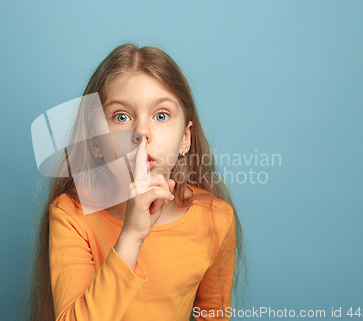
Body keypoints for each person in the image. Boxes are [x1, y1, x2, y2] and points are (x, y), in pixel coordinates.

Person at [19, 43, 247, 321]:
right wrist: (132, 235)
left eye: (161, 115)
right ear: (95, 143)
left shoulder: (216, 218)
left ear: (185, 139)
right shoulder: (70, 216)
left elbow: (214, 315)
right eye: (121, 117)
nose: (141, 133)